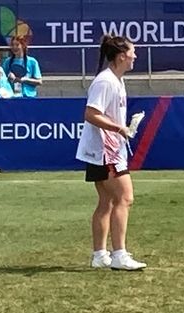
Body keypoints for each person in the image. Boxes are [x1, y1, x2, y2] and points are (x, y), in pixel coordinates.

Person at [75, 34, 146, 271]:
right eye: (132, 52)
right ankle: (119, 255)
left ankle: (100, 254)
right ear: (121, 56)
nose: (135, 56)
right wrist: (119, 128)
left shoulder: (115, 80)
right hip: (105, 151)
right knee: (125, 197)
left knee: (106, 201)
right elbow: (91, 113)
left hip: (105, 150)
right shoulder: (106, 81)